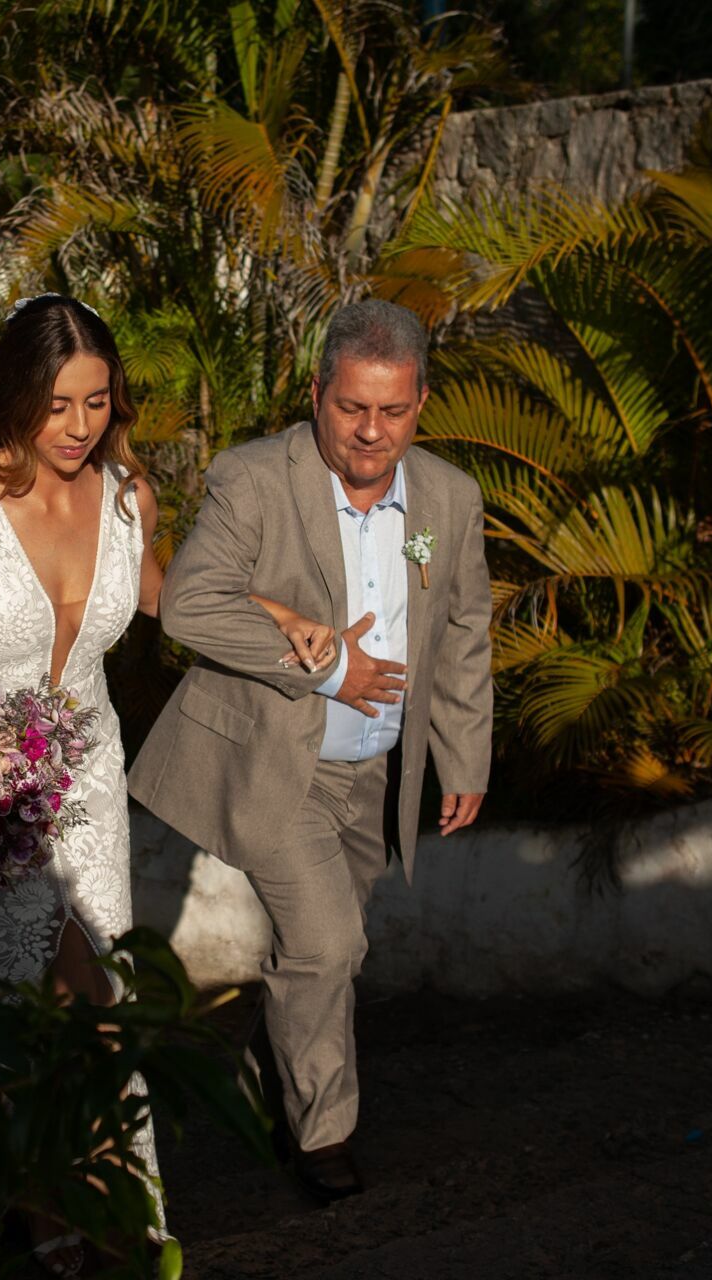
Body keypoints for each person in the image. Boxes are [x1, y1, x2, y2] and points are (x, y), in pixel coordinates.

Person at [0, 293, 322, 1273]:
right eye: (60, 405)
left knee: (80, 1001)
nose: (81, 426)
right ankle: (78, 1222)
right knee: (44, 1006)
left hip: (86, 782)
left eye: (96, 401)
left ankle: (50, 1217)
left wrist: (283, 619)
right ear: (16, 397)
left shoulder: (128, 497)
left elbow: (171, 596)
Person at [128, 299, 494, 1207]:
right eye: (352, 408)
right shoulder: (255, 480)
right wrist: (330, 669)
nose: (372, 433)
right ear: (319, 391)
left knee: (322, 955)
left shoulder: (448, 496)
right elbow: (190, 606)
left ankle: (276, 1052)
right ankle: (322, 1135)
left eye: (394, 411)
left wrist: (466, 755)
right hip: (278, 760)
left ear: (422, 403)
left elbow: (463, 629)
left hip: (379, 771)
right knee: (330, 944)